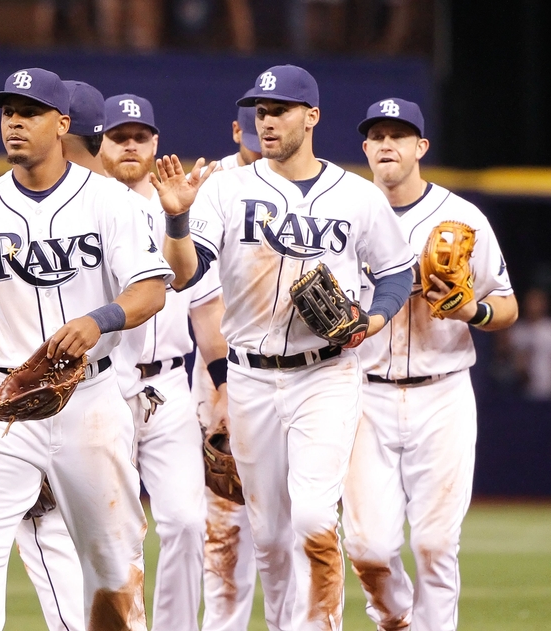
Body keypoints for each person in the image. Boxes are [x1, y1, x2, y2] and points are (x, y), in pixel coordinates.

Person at [151, 64, 416, 631]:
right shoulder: (224, 188)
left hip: (326, 374)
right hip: (248, 377)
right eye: (261, 111)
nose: (266, 121)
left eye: (280, 111)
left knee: (315, 517)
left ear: (312, 116)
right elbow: (182, 273)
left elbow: (397, 271)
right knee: (268, 534)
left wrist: (372, 319)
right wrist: (176, 218)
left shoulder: (356, 196)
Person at [0, 67, 171, 631]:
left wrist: (99, 319)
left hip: (91, 397)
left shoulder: (107, 201)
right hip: (6, 401)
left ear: (63, 123)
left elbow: (152, 289)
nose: (15, 124)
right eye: (8, 113)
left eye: (29, 112)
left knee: (111, 560)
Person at [342, 97, 518, 631]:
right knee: (368, 547)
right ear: (366, 147)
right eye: (377, 136)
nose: (387, 145)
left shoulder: (463, 218)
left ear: (421, 147)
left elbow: (505, 306)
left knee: (437, 542)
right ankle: (395, 619)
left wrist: (474, 309)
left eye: (399, 135)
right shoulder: (344, 214)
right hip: (364, 392)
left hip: (442, 391)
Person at [99, 92, 228, 631]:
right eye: (119, 137)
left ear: (155, 143)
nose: (131, 145)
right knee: (115, 531)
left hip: (171, 387)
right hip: (104, 387)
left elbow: (206, 306)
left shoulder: (179, 205)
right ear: (100, 143)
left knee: (185, 520)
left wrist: (222, 389)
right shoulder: (84, 205)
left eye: (140, 137)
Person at [12, 77, 109, 631]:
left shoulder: (119, 208)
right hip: (114, 394)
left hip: (96, 394)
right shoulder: (134, 205)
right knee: (113, 554)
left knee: (71, 542)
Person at [197, 96, 261, 631]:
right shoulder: (212, 187)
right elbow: (205, 298)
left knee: (299, 519)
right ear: (238, 130)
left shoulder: (318, 189)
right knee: (224, 516)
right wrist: (222, 385)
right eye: (255, 126)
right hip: (226, 362)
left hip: (299, 371)